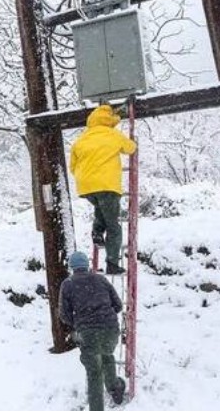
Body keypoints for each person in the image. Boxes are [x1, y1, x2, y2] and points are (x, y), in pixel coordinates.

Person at [69, 104, 137, 275]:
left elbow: (72, 167)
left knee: (101, 208)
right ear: (109, 121)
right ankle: (112, 263)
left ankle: (97, 232)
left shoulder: (81, 139)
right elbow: (130, 148)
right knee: (114, 226)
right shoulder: (112, 134)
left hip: (86, 186)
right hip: (107, 185)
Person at [60, 250, 127, 410]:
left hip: (88, 332)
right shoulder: (101, 279)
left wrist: (79, 323)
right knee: (106, 355)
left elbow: (64, 315)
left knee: (94, 374)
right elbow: (117, 305)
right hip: (110, 328)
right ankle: (115, 386)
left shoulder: (68, 284)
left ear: (72, 267)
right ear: (87, 265)